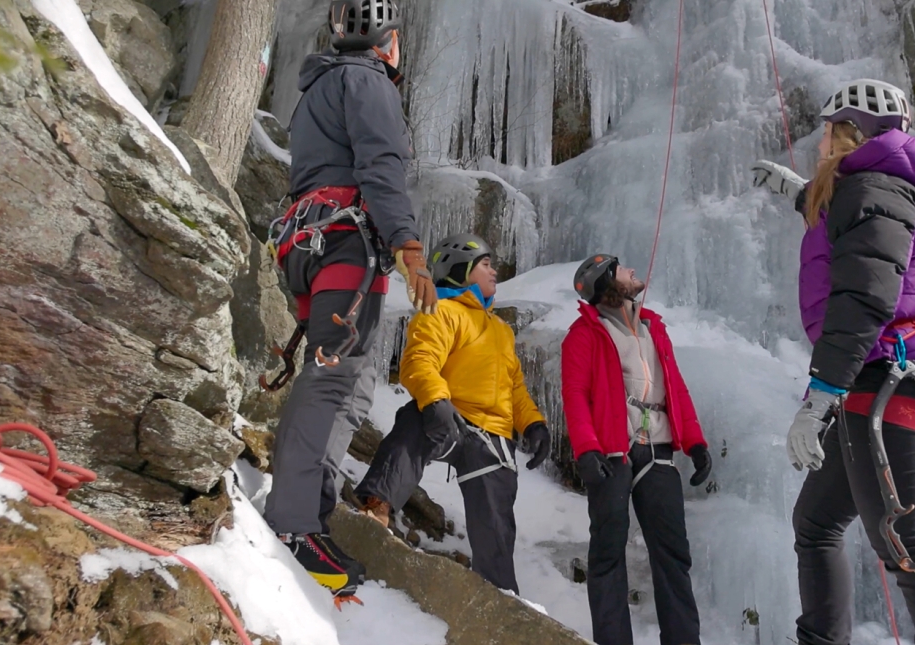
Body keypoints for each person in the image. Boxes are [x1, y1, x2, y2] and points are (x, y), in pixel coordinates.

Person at [750, 79, 915, 645]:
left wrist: (821, 393)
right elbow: (855, 230)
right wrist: (806, 195)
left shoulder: (878, 187)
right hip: (868, 374)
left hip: (888, 374)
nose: (819, 141)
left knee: (904, 538)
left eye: (827, 130)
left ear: (852, 131)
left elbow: (867, 295)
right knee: (816, 525)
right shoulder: (872, 188)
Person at [261, 0, 440, 605]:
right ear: (388, 43)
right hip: (344, 246)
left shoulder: (317, 87)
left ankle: (307, 509)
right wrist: (408, 246)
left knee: (338, 379)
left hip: (307, 244)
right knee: (331, 381)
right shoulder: (369, 83)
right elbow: (382, 167)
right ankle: (292, 523)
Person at [353, 233, 554, 593]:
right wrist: (435, 402)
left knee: (496, 525)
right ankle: (376, 505)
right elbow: (420, 360)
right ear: (461, 269)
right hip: (450, 419)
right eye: (486, 264)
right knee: (413, 422)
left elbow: (515, 388)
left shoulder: (502, 331)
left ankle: (500, 596)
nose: (495, 271)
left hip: (491, 437)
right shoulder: (442, 311)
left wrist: (534, 424)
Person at [561, 255, 712, 645]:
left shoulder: (654, 329)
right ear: (607, 282)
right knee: (608, 552)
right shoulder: (584, 334)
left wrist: (695, 443)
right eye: (621, 268)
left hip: (659, 451)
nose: (631, 269)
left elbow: (675, 388)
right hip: (612, 452)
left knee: (673, 555)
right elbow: (574, 395)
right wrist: (586, 449)